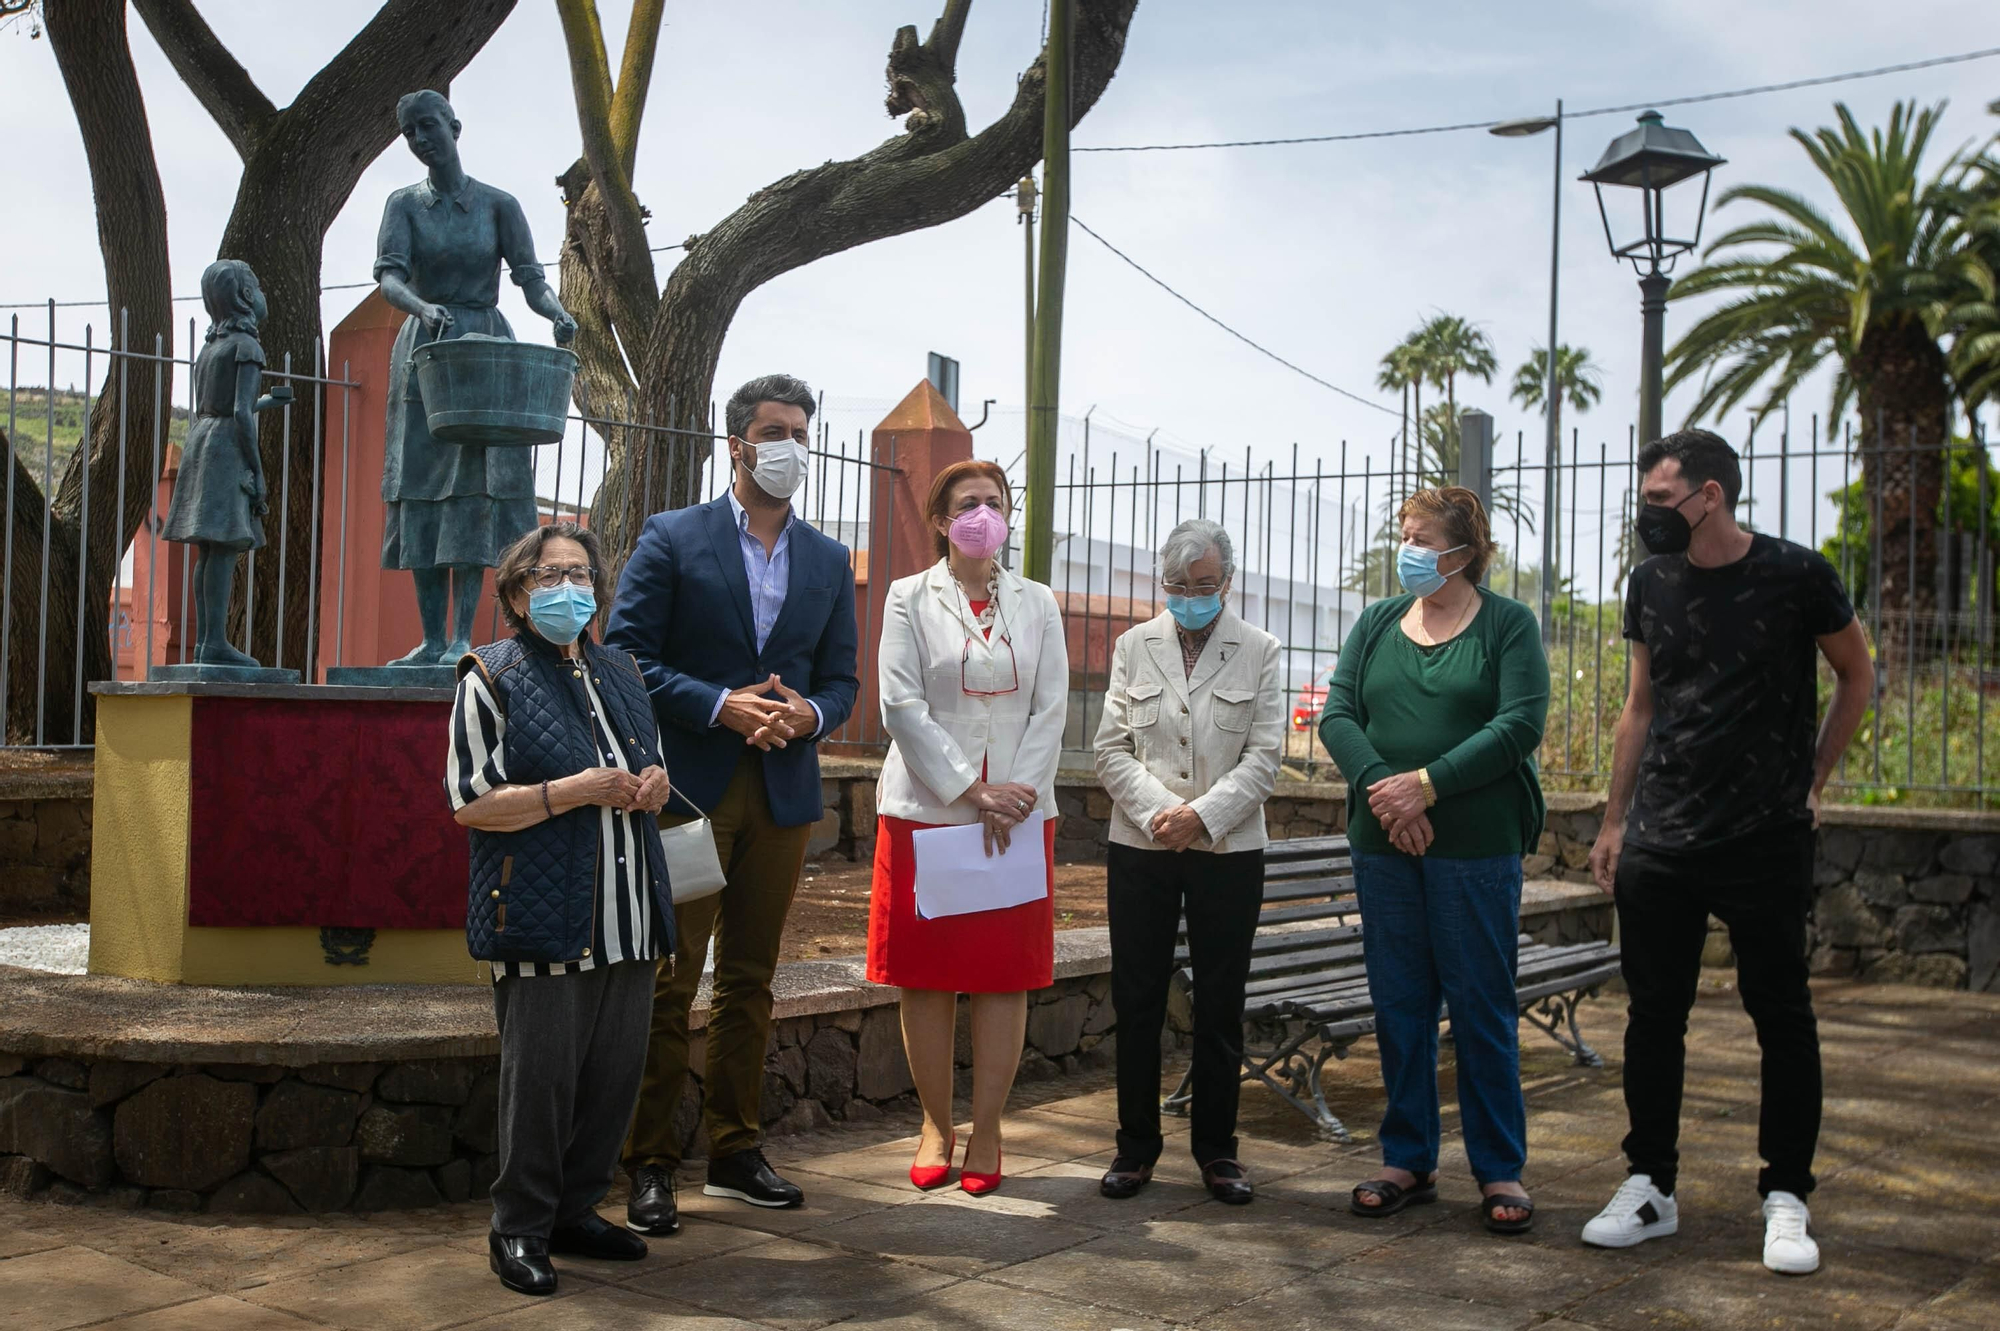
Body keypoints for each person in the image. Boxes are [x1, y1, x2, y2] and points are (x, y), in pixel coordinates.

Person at [1583, 430, 1872, 1276]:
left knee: (1781, 1015)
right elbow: (1639, 705)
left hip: (1765, 835)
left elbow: (1857, 673)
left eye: (1661, 502)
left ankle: (1786, 1196)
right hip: (1663, 836)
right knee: (1651, 1017)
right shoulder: (1649, 582)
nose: (1648, 518)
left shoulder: (1797, 574)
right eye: (1644, 503)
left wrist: (1813, 778)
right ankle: (1649, 1185)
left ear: (1711, 495)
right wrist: (1613, 820)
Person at [608, 374, 859, 1233]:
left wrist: (810, 713)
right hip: (690, 792)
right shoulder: (673, 537)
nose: (790, 446)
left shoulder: (828, 559)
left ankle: (735, 1152)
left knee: (752, 979)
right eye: (774, 430)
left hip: (782, 794)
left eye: (801, 431)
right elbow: (625, 653)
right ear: (738, 443)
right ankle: (647, 1163)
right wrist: (720, 703)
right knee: (670, 980)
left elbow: (843, 680)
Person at [446, 522, 674, 1297]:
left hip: (629, 912)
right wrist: (575, 789)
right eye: (549, 576)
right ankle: (519, 1225)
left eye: (580, 574)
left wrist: (653, 785)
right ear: (515, 592)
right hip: (543, 917)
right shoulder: (491, 673)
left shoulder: (623, 670)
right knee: (539, 1081)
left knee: (612, 1078)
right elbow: (473, 802)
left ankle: (576, 1210)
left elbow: (650, 767)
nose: (569, 588)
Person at [1318, 486, 1549, 1234]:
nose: (1407, 548)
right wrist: (1388, 795)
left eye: (1420, 537)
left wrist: (1426, 785)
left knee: (1481, 1004)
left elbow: (1520, 723)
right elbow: (1339, 714)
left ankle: (1498, 1167)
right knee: (1400, 1002)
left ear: (1461, 551)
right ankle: (1408, 1156)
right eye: (1404, 534)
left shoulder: (1508, 625)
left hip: (1476, 846)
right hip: (1383, 842)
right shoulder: (1378, 620)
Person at [867, 458, 1068, 1196]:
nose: (982, 513)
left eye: (994, 501)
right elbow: (900, 703)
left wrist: (1012, 794)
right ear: (942, 520)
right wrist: (969, 788)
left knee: (1001, 976)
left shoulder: (1039, 602)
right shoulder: (906, 597)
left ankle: (987, 1126)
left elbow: (1052, 706)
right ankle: (934, 1121)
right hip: (929, 810)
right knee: (924, 977)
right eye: (966, 504)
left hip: (1017, 813)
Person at [1092, 518, 1284, 1205]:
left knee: (1221, 1001)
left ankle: (1218, 1149)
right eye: (1176, 585)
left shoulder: (1259, 648)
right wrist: (1159, 814)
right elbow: (1110, 748)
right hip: (1141, 845)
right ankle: (1135, 1144)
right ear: (1161, 583)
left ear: (1226, 582)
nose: (1190, 596)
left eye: (1203, 584)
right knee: (1137, 995)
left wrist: (1200, 815)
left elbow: (1265, 758)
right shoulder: (1133, 644)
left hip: (1227, 849)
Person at [375, 89, 576, 665]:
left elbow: (530, 279)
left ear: (454, 126)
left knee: (472, 492)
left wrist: (557, 312)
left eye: (428, 126)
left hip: (486, 350)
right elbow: (389, 277)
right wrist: (418, 306)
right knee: (421, 492)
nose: (420, 140)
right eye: (410, 132)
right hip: (425, 348)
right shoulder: (403, 205)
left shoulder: (498, 204)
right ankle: (431, 640)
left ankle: (462, 636)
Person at [160, 259, 291, 665]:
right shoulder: (247, 347)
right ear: (246, 296)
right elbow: (239, 414)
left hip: (202, 440)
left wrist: (266, 401)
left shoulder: (210, 347)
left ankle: (205, 642)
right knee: (224, 548)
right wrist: (258, 471)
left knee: (208, 548)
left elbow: (226, 406)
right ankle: (215, 641)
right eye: (259, 286)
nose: (264, 294)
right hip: (227, 450)